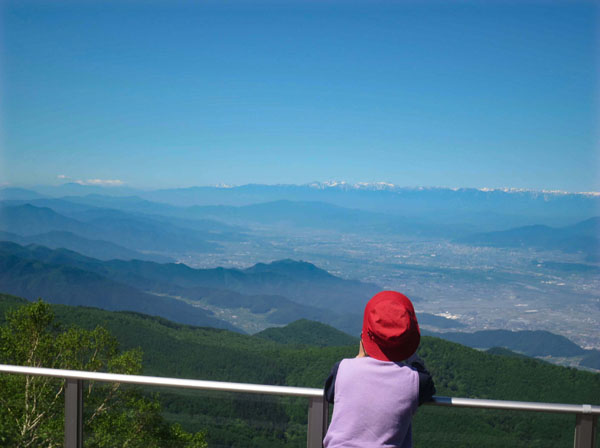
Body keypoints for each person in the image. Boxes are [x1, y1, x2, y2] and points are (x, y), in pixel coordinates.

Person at [323, 290, 436, 448]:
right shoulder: (416, 381)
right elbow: (428, 384)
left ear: (365, 335)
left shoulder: (342, 369)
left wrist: (359, 357)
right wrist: (410, 354)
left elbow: (330, 395)